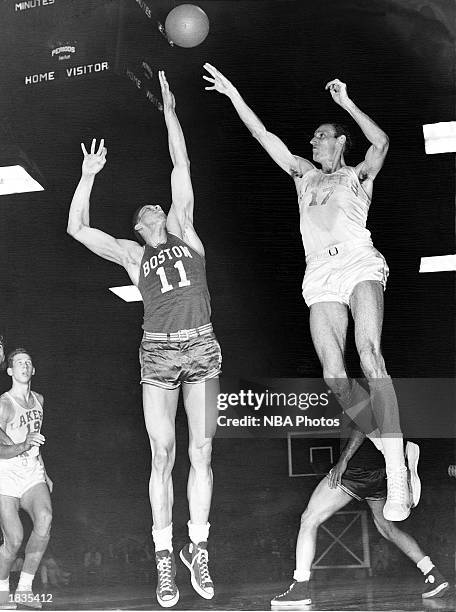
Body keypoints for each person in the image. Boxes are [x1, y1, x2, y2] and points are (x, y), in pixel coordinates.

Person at [203, 64, 418, 521]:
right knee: (334, 376)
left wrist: (346, 105)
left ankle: (396, 475)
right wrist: (233, 92)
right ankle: (396, 448)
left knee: (370, 353)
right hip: (319, 271)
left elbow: (381, 143)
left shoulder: (358, 174)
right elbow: (263, 135)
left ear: (340, 141)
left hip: (358, 260)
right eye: (313, 138)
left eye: (321, 135)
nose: (312, 142)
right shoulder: (303, 175)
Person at [67, 71, 221, 608]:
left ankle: (196, 548)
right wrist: (88, 176)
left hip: (201, 345)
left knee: (202, 451)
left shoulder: (185, 229)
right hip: (157, 350)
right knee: (164, 454)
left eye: (160, 204)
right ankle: (163, 559)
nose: (157, 205)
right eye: (148, 209)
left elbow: (181, 165)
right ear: (138, 224)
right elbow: (78, 230)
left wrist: (169, 112)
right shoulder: (134, 256)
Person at [271, 431, 449, 608]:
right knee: (387, 528)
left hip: (357, 469)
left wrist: (343, 460)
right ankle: (433, 574)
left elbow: (361, 425)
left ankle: (300, 588)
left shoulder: (350, 402)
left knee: (309, 519)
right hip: (380, 471)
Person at [0, 349, 53, 610]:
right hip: (6, 473)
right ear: (9, 370)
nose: (24, 365)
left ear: (33, 371)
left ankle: (24, 589)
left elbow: (36, 441)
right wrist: (23, 445)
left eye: (29, 362)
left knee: (44, 519)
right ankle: (1, 593)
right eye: (19, 362)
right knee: (14, 539)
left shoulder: (40, 399)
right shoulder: (4, 404)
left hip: (31, 471)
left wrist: (44, 469)